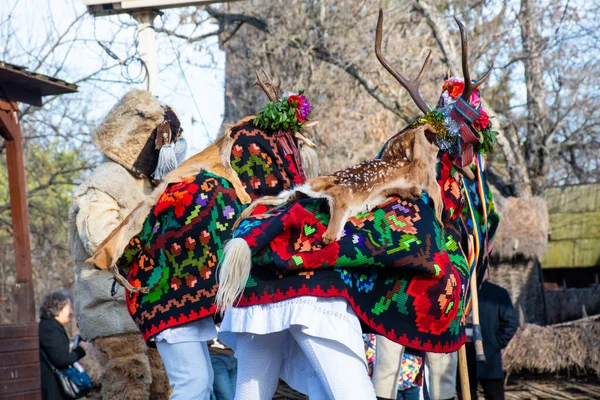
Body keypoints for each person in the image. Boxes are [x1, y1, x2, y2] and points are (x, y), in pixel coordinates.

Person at [69, 89, 185, 399]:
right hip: (114, 312)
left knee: (163, 387)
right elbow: (101, 238)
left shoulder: (146, 184)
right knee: (128, 386)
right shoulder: (106, 182)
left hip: (146, 311)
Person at [459, 280, 518, 400]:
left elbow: (511, 322)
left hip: (488, 354)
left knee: (494, 394)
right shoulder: (459, 291)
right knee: (466, 394)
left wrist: (495, 342)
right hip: (463, 352)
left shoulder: (497, 293)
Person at [39, 291, 87, 400]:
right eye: (68, 307)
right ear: (58, 307)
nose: (70, 311)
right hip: (52, 389)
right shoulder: (50, 328)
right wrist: (80, 350)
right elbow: (60, 360)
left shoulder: (51, 326)